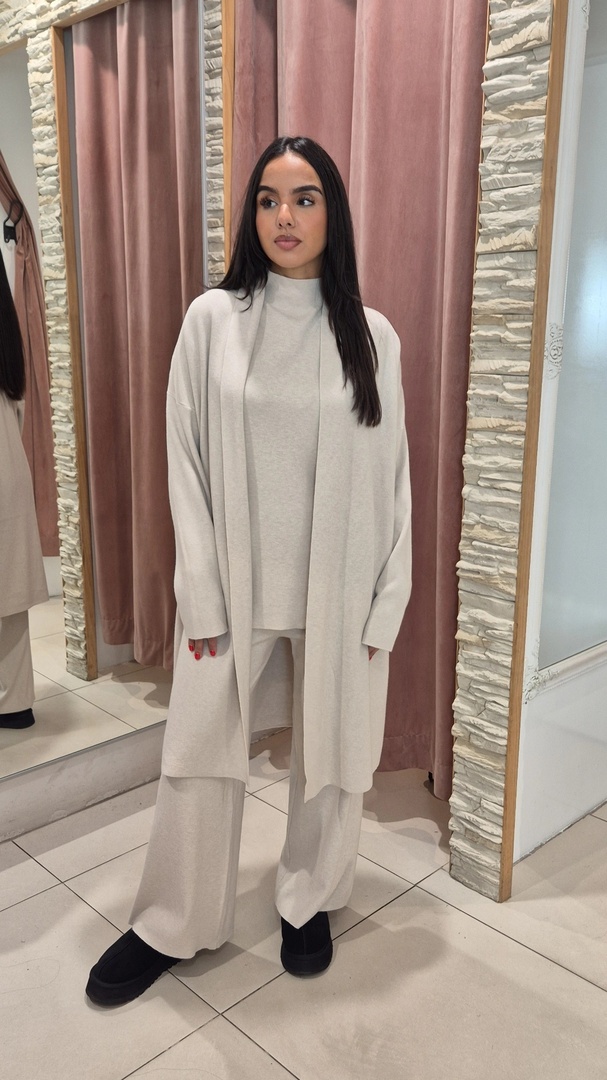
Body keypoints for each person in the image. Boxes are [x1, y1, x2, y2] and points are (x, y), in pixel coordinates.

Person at [86, 136, 412, 1007]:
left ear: (333, 212)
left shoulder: (371, 336)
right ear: (250, 215)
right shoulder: (212, 321)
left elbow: (394, 481)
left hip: (337, 589)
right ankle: (173, 919)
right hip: (233, 589)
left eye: (304, 199)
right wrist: (199, 594)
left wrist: (385, 603)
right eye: (268, 199)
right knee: (197, 754)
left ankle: (309, 897)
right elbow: (184, 464)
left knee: (331, 757)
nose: (284, 217)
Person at [0, 253, 48, 729]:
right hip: (8, 470)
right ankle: (14, 704)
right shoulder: (6, 338)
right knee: (8, 600)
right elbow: (17, 410)